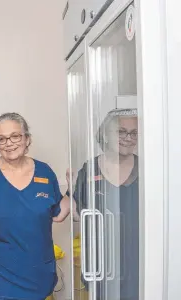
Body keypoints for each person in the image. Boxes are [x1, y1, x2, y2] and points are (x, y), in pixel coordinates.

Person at [0, 113, 70, 300]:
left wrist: (74, 189)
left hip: (37, 275)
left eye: (15, 136)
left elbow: (57, 214)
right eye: (1, 139)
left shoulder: (45, 172)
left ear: (27, 139)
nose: (9, 143)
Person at [65, 108, 139, 300]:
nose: (128, 138)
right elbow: (76, 214)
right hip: (100, 268)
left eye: (134, 133)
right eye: (121, 131)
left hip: (138, 267)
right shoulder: (89, 170)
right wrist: (71, 188)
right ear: (106, 134)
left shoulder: (146, 170)